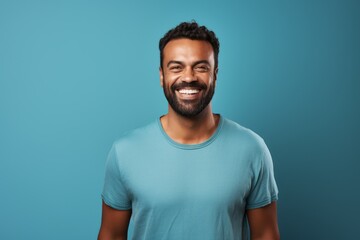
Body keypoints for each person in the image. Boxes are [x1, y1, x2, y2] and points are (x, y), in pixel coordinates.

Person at [98, 21, 280, 240]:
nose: (188, 77)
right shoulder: (124, 152)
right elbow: (110, 235)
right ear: (161, 76)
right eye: (176, 67)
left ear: (216, 74)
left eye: (201, 67)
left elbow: (266, 235)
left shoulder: (252, 149)